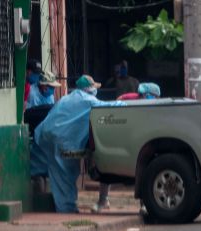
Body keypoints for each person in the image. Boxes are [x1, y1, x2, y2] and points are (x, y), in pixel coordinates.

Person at [30, 75, 125, 213]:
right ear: (88, 89)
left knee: (51, 170)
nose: (95, 91)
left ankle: (64, 205)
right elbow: (106, 107)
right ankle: (66, 209)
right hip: (62, 140)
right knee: (65, 175)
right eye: (93, 88)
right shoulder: (86, 100)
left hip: (45, 136)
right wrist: (123, 102)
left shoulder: (67, 98)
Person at [92, 82, 161, 213]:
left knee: (144, 173)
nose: (142, 97)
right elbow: (116, 106)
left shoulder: (156, 107)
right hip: (123, 139)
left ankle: (145, 204)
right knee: (107, 171)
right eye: (141, 94)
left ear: (155, 96)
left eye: (146, 95)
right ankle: (102, 200)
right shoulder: (129, 98)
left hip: (143, 143)